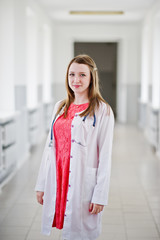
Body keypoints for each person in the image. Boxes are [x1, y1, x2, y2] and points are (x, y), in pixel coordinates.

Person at [35, 54, 115, 240]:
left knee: (81, 233)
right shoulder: (60, 107)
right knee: (66, 229)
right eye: (71, 74)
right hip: (59, 176)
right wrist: (41, 185)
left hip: (83, 180)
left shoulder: (102, 110)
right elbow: (49, 149)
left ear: (91, 78)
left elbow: (105, 155)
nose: (76, 80)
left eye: (82, 75)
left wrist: (100, 195)